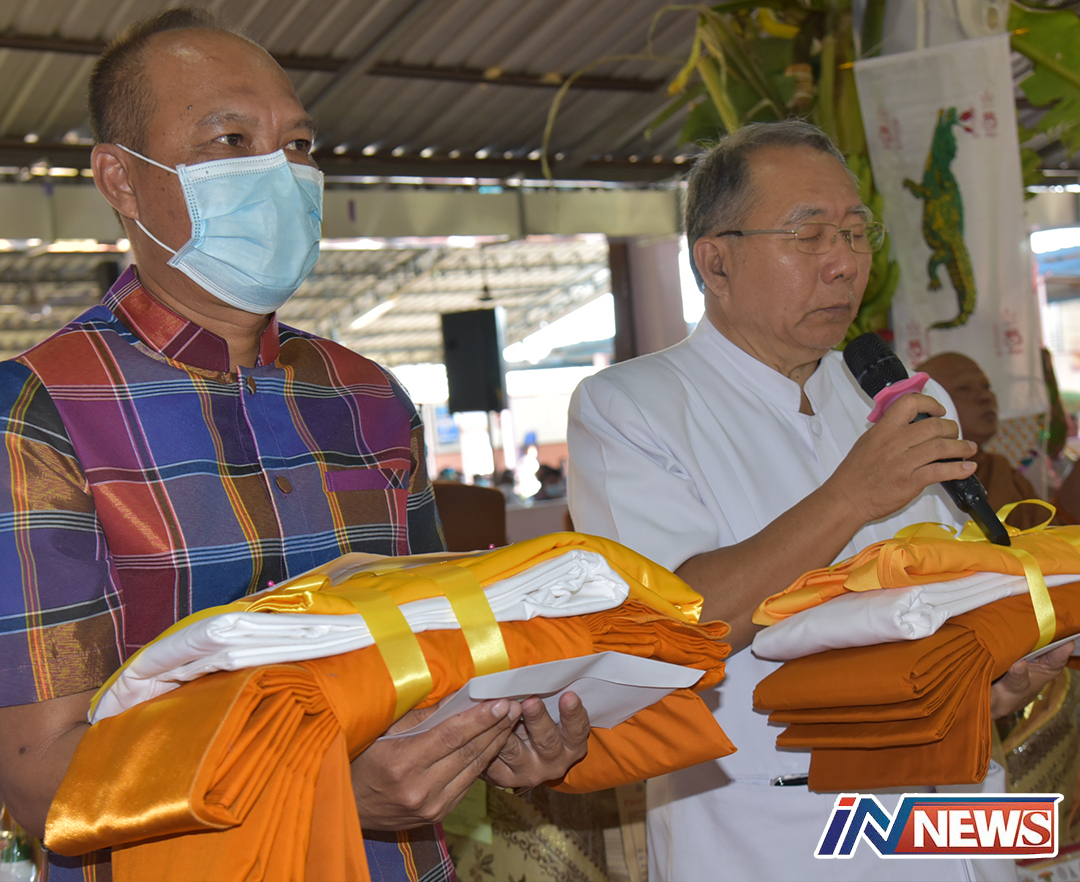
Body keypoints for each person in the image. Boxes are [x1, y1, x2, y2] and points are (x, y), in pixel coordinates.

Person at [0, 9, 588, 881]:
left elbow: (441, 656)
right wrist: (322, 789)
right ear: (121, 179)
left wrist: (503, 735)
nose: (280, 173)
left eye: (299, 145)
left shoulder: (368, 397)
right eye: (232, 140)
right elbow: (42, 783)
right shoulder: (39, 412)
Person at [567, 119, 1070, 882]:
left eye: (857, 233)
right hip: (776, 827)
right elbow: (670, 626)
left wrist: (990, 683)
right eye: (809, 237)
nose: (845, 263)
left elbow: (941, 607)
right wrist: (849, 497)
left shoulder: (907, 396)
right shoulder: (630, 406)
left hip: (951, 809)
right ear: (716, 261)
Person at [919, 351, 1078, 528]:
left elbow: (1051, 533)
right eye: (963, 388)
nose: (985, 397)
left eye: (986, 387)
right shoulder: (913, 474)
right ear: (924, 407)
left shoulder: (999, 470)